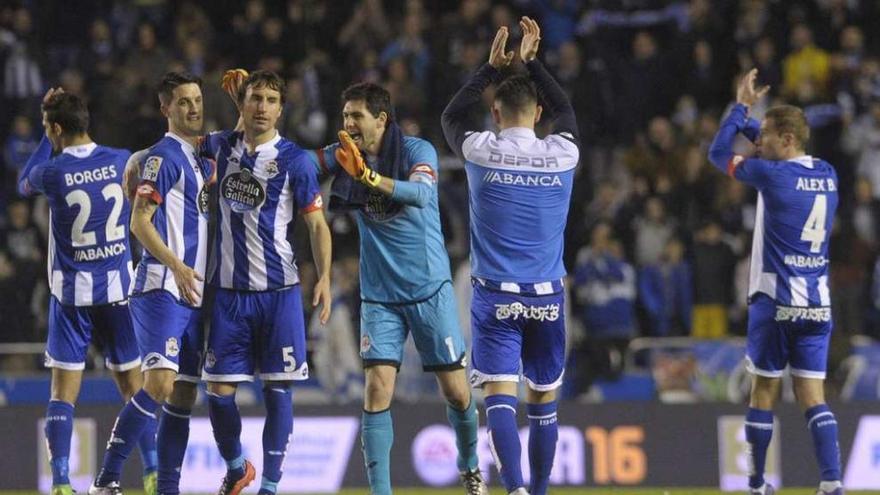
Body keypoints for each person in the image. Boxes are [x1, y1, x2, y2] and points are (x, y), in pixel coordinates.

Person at [306, 82, 486, 494]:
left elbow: (422, 195)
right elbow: (300, 163)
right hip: (380, 296)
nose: (348, 124)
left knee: (457, 394)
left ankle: (471, 468)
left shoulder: (415, 152)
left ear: (381, 119)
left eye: (357, 116)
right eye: (345, 116)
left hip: (429, 290)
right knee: (376, 390)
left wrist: (369, 177)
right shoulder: (343, 156)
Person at [441, 17, 580, 495]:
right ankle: (539, 492)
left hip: (495, 295)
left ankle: (515, 489)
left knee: (499, 398)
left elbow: (451, 117)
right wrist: (533, 62)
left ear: (496, 115)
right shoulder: (562, 154)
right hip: (546, 295)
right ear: (537, 114)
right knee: (544, 401)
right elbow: (567, 110)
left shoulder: (480, 151)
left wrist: (489, 69)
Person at [708, 69, 842, 495]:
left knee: (763, 392)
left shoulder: (771, 175)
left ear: (785, 140)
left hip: (774, 300)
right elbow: (774, 144)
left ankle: (756, 484)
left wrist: (741, 108)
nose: (757, 140)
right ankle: (832, 483)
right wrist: (757, 124)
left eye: (765, 135)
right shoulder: (828, 173)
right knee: (813, 396)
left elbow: (717, 152)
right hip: (817, 305)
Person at [17, 88, 157, 495]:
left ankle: (61, 482)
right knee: (134, 389)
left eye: (49, 127)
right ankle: (151, 473)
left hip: (73, 299)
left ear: (57, 128)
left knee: (63, 394)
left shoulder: (53, 172)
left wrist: (47, 139)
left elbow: (25, 183)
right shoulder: (120, 159)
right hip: (118, 293)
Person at [199, 69, 332, 495]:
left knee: (279, 391)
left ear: (281, 109)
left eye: (271, 100)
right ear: (244, 104)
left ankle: (270, 487)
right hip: (228, 296)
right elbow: (179, 144)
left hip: (279, 295)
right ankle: (238, 467)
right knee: (218, 392)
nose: (262, 107)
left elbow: (316, 226)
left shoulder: (295, 161)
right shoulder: (221, 146)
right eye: (254, 98)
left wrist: (326, 277)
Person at [90, 72, 212, 495]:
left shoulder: (197, 159)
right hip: (161, 286)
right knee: (158, 385)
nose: (193, 108)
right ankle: (105, 479)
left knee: (182, 398)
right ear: (166, 109)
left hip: (192, 294)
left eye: (197, 100)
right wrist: (177, 265)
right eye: (182, 102)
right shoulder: (162, 159)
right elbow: (139, 221)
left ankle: (166, 489)